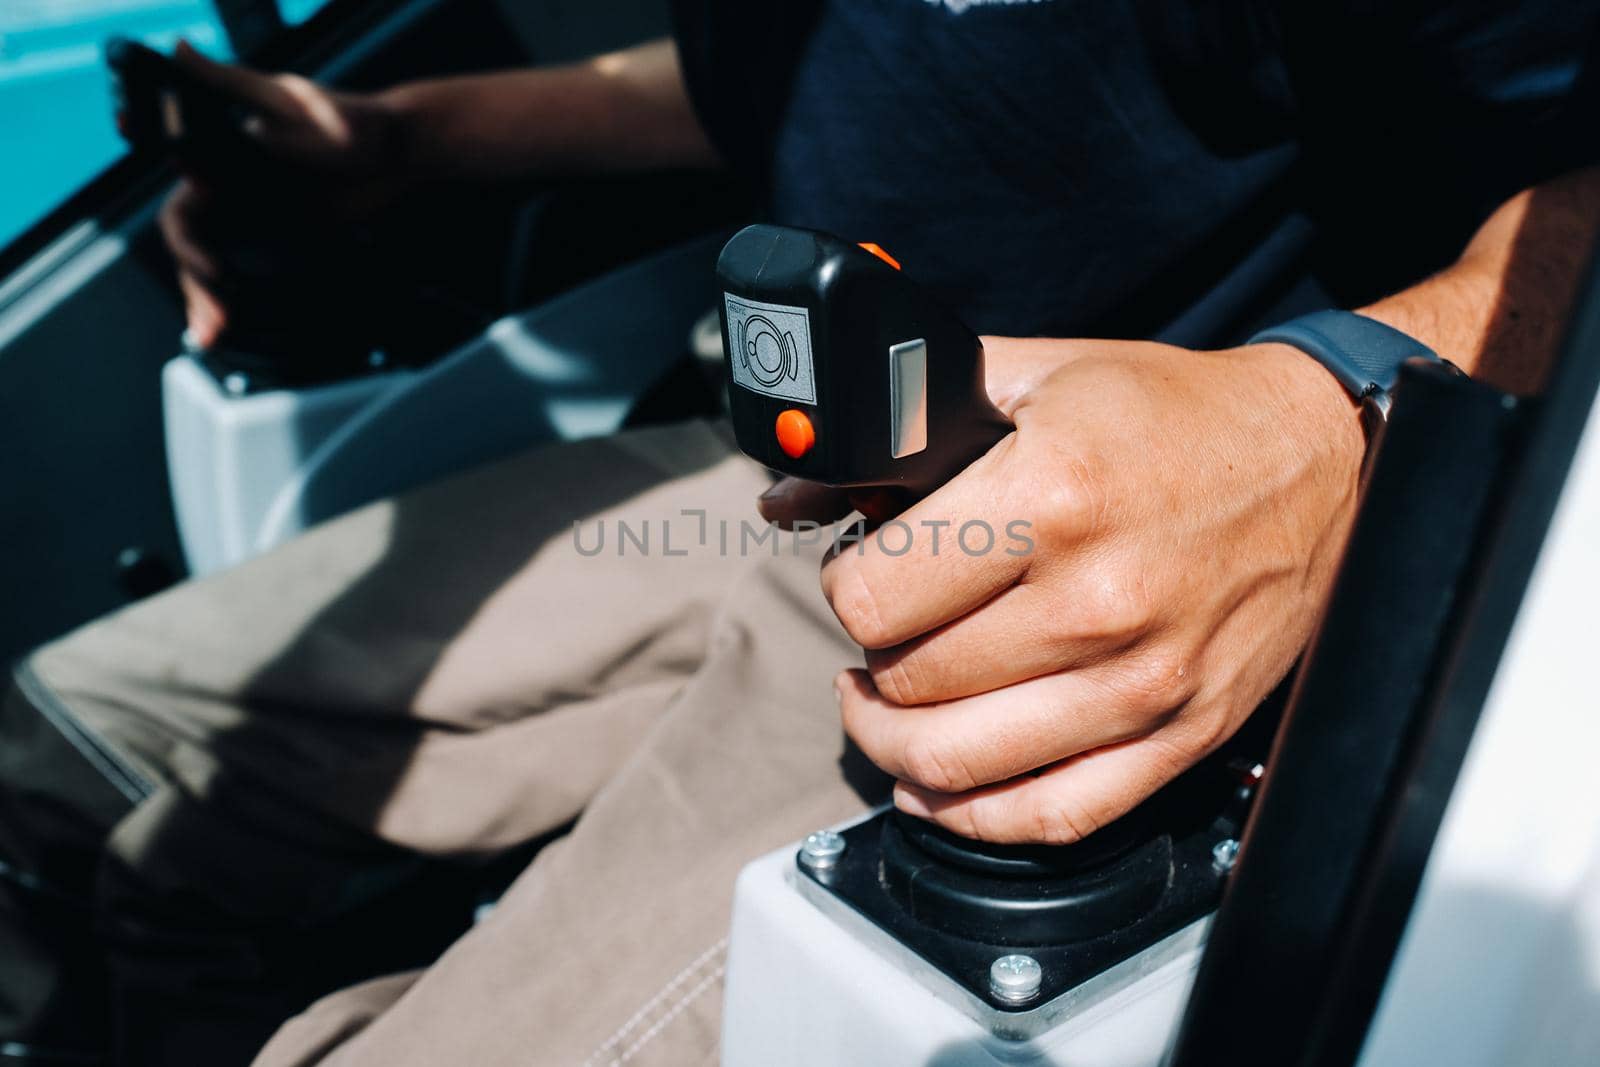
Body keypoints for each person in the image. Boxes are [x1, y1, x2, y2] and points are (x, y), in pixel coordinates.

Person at [4, 2, 1599, 1064]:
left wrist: (1336, 415)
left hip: (1072, 528)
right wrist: (405, 144)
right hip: (753, 464)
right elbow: (762, 66)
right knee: (58, 754)